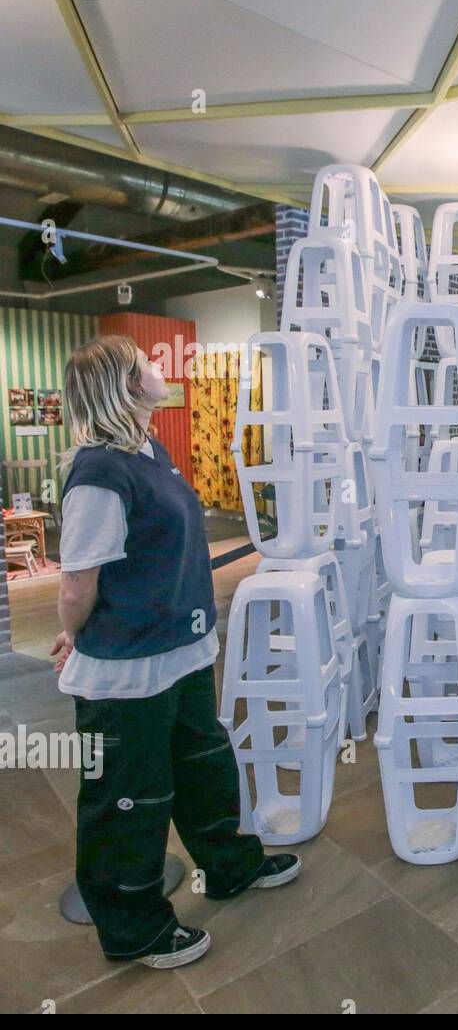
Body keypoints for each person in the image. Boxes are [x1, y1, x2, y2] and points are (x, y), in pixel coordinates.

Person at [52, 335, 299, 970]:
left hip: (180, 650)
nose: (162, 369)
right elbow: (79, 579)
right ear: (127, 386)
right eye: (147, 365)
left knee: (203, 769)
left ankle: (229, 865)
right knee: (127, 800)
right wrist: (72, 634)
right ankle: (133, 926)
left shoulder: (148, 450)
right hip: (128, 669)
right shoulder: (98, 475)